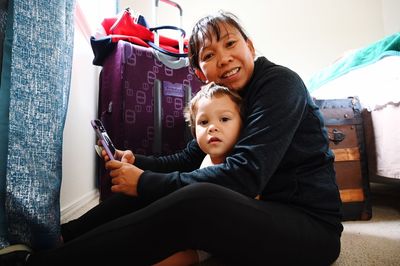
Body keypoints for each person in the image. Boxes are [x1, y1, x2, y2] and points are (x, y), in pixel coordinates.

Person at [2, 10, 343, 266]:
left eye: (230, 44)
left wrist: (145, 182)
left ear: (250, 46)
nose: (224, 59)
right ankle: (64, 237)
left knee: (196, 198)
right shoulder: (227, 98)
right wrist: (137, 164)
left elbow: (244, 175)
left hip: (310, 228)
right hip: (261, 210)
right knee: (157, 184)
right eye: (209, 55)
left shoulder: (279, 85)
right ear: (199, 72)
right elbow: (185, 159)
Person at [155, 82, 243, 265]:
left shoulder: (241, 166)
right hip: (189, 226)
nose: (212, 127)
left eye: (224, 119)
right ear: (194, 132)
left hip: (211, 242)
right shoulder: (206, 158)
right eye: (204, 122)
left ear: (243, 126)